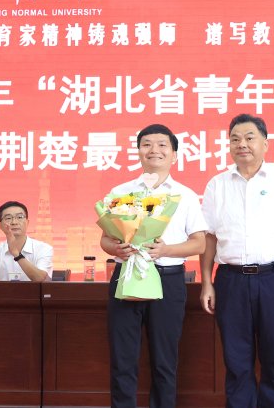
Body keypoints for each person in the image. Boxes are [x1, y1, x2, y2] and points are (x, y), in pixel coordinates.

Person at [199, 114, 274, 408]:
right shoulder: (217, 184)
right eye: (235, 139)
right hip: (231, 280)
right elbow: (209, 238)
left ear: (265, 143)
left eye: (249, 138)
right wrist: (207, 282)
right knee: (236, 360)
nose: (242, 144)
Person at [100, 124, 207, 408]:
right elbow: (105, 239)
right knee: (122, 358)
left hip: (168, 280)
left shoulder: (185, 195)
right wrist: (116, 248)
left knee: (164, 361)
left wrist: (165, 250)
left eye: (162, 145)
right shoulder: (122, 191)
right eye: (147, 144)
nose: (154, 150)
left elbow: (199, 244)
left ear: (174, 155)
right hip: (126, 275)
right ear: (138, 152)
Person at [0, 201, 53, 282]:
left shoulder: (43, 249)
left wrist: (16, 254)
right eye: (8, 218)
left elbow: (40, 279)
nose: (14, 222)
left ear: (27, 222)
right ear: (0, 226)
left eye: (20, 217)